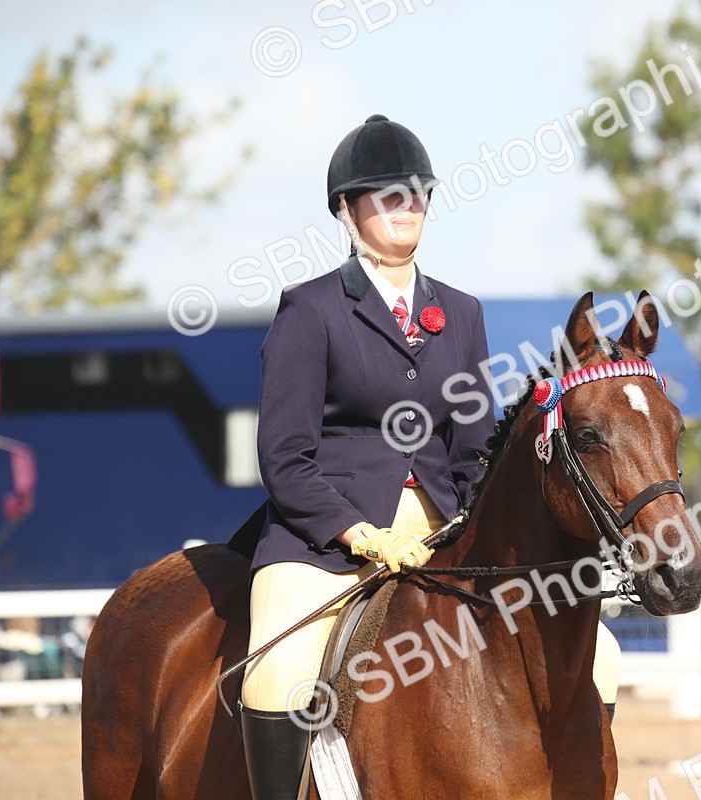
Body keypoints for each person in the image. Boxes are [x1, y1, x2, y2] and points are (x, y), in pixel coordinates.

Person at [230, 114, 619, 800]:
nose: (405, 205)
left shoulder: (461, 313)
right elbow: (285, 457)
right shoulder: (311, 310)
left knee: (604, 656)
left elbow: (473, 453)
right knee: (279, 671)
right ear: (347, 210)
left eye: (415, 193)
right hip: (324, 541)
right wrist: (359, 533)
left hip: (442, 535)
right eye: (386, 195)